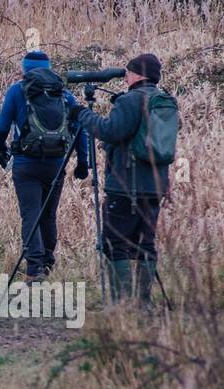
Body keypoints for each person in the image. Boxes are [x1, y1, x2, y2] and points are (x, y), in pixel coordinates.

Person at [70, 53, 178, 306]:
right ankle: (143, 302)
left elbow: (109, 130)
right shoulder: (164, 101)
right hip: (155, 186)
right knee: (145, 243)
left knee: (113, 242)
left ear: (138, 75)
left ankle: (121, 304)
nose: (125, 77)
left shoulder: (131, 101)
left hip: (126, 185)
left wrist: (81, 114)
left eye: (128, 72)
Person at [0, 49, 89, 280]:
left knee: (30, 214)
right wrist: (83, 162)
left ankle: (34, 269)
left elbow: (3, 126)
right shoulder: (64, 94)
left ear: (24, 69)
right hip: (56, 163)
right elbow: (80, 129)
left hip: (25, 164)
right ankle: (47, 262)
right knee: (48, 215)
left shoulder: (16, 90)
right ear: (49, 66)